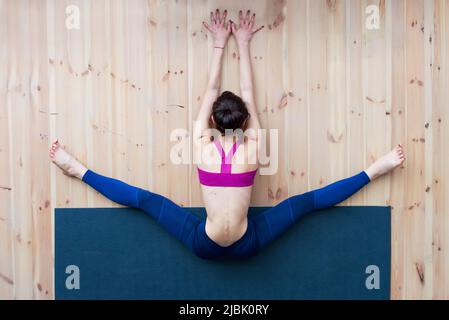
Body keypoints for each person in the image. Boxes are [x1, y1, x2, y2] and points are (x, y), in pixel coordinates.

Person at [50, 9, 405, 260]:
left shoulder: (201, 144)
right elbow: (248, 94)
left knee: (144, 201)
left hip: (204, 245)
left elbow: (210, 89)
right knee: (306, 203)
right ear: (246, 120)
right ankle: (378, 168)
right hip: (248, 244)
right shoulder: (253, 147)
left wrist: (220, 43)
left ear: (213, 122)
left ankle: (75, 168)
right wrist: (245, 43)